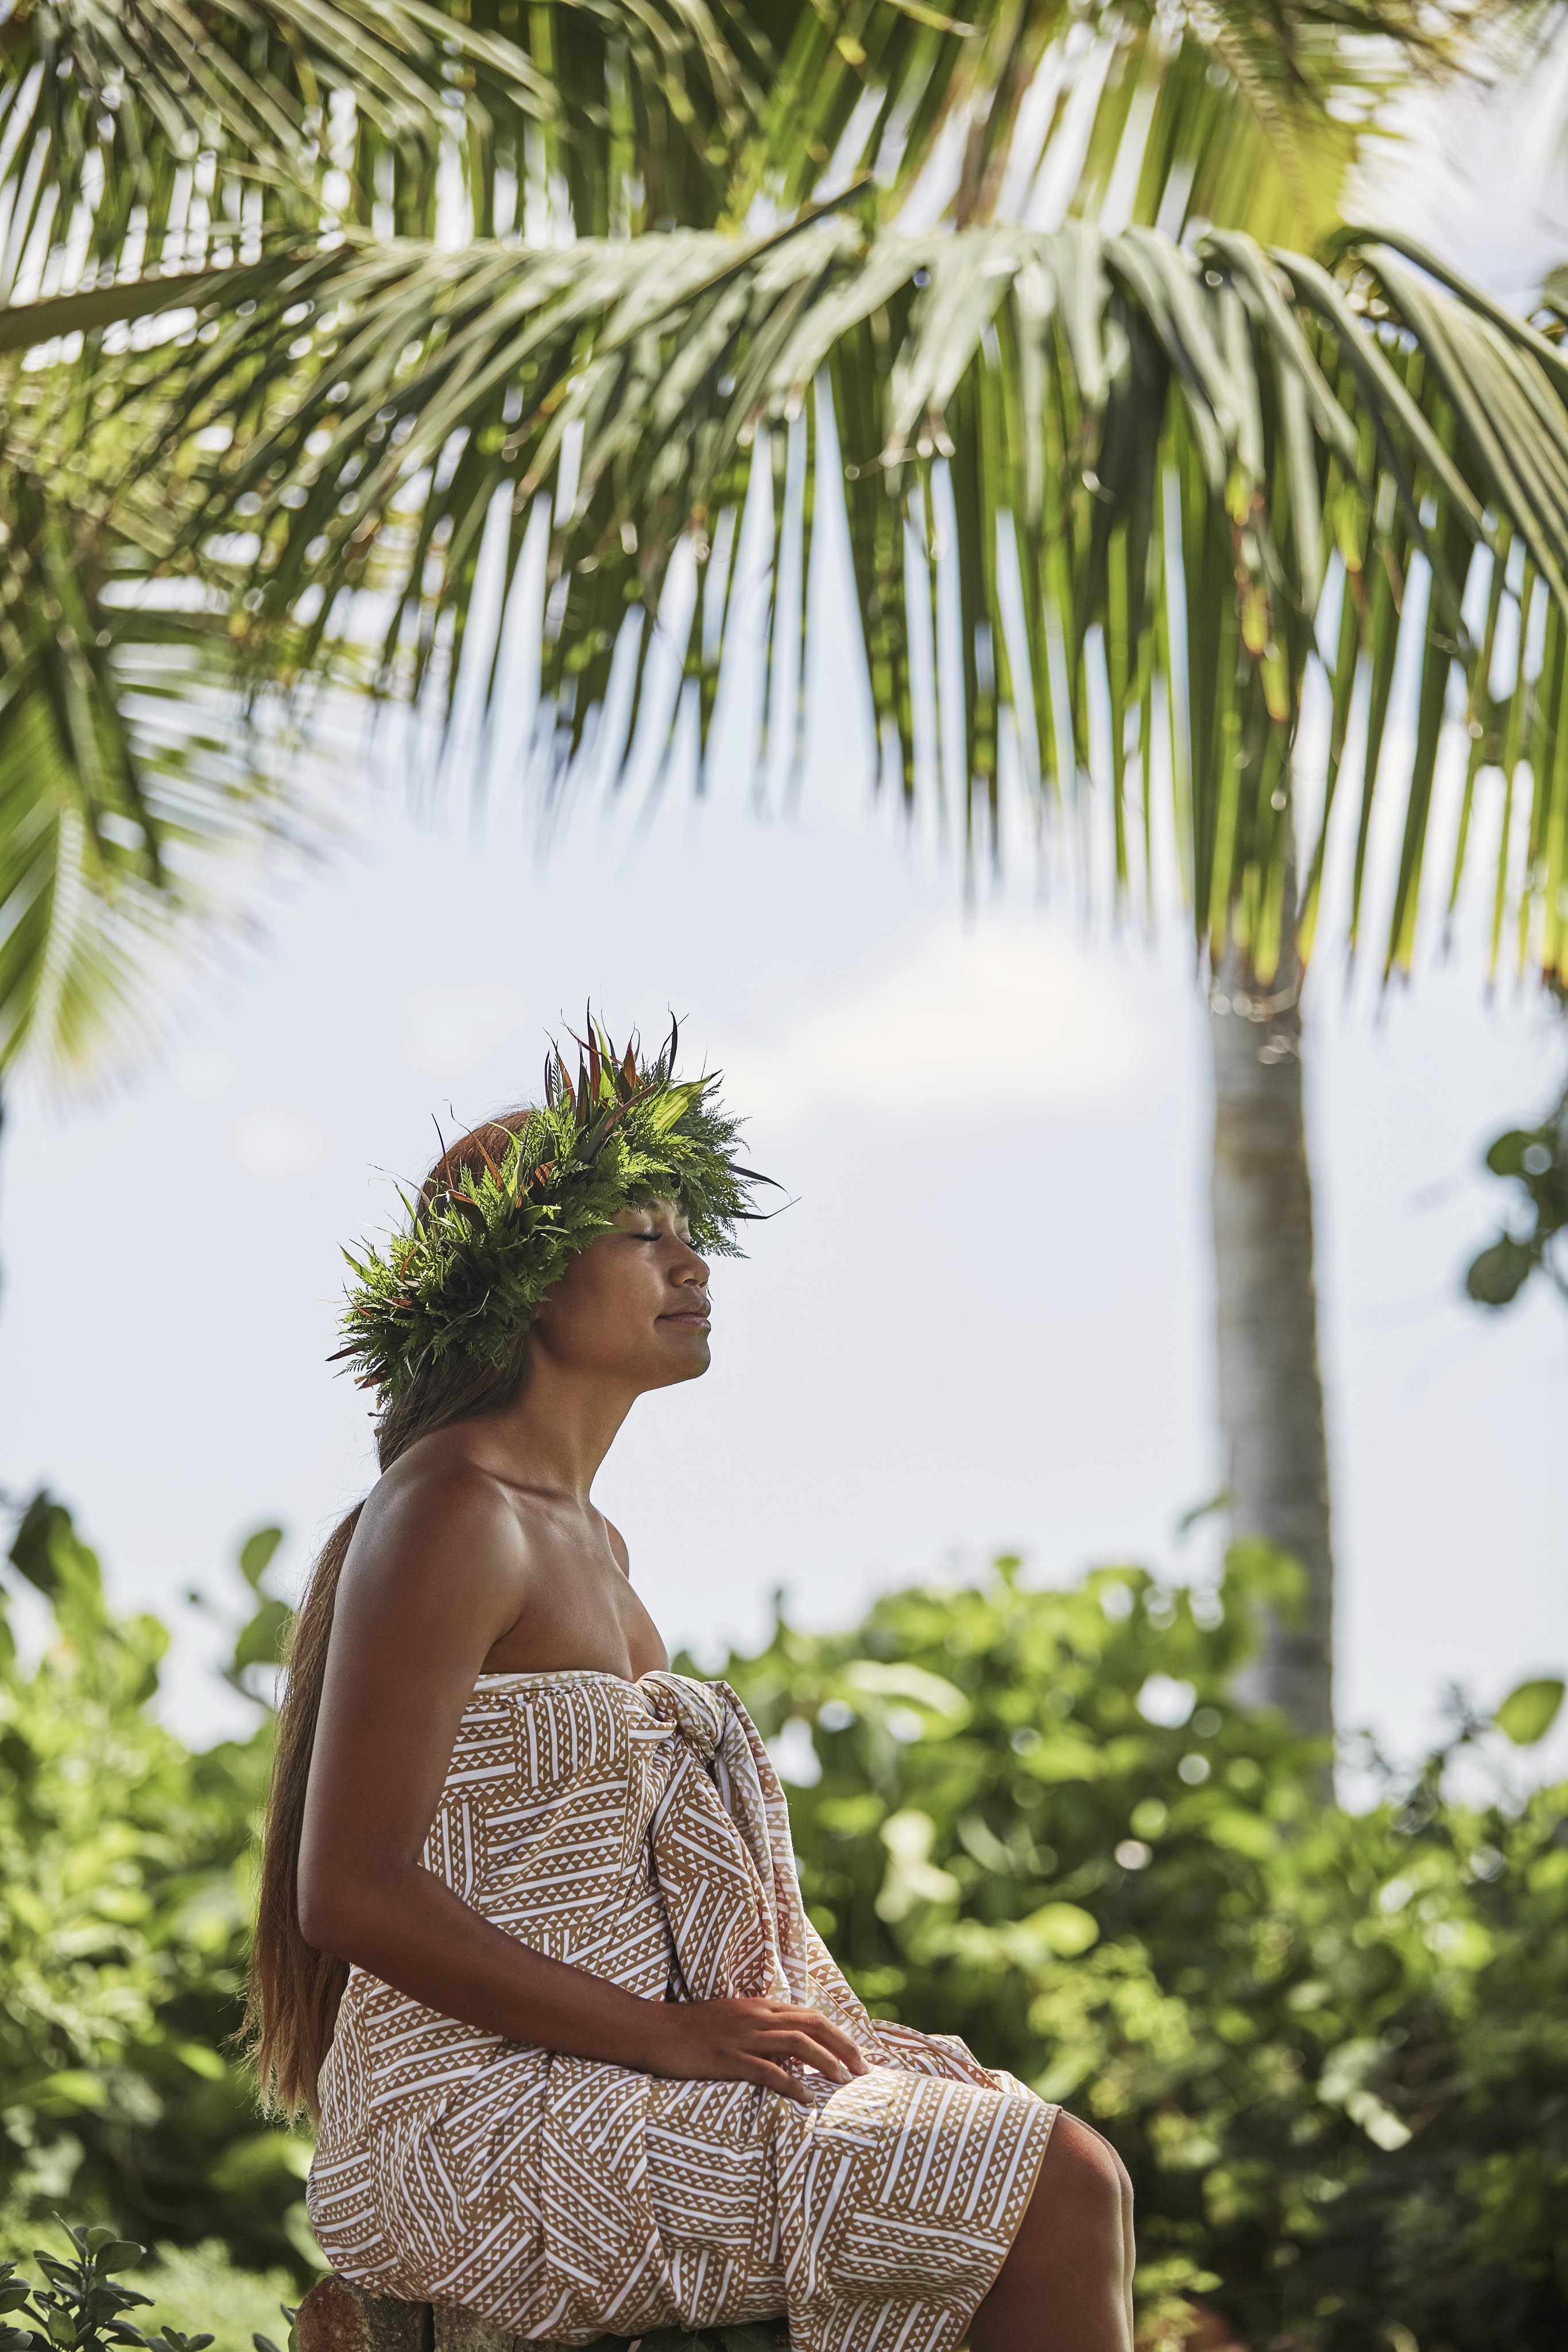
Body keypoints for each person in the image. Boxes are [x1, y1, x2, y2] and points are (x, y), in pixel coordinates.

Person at [246, 1025, 1135, 2352]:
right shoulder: (450, 1506)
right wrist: (668, 2033)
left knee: (1057, 2163)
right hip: (475, 2120)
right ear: (522, 1280)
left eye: (686, 1229)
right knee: (1055, 2179)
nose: (691, 1260)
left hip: (599, 2071)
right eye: (638, 1234)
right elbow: (353, 1889)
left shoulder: (595, 1548)